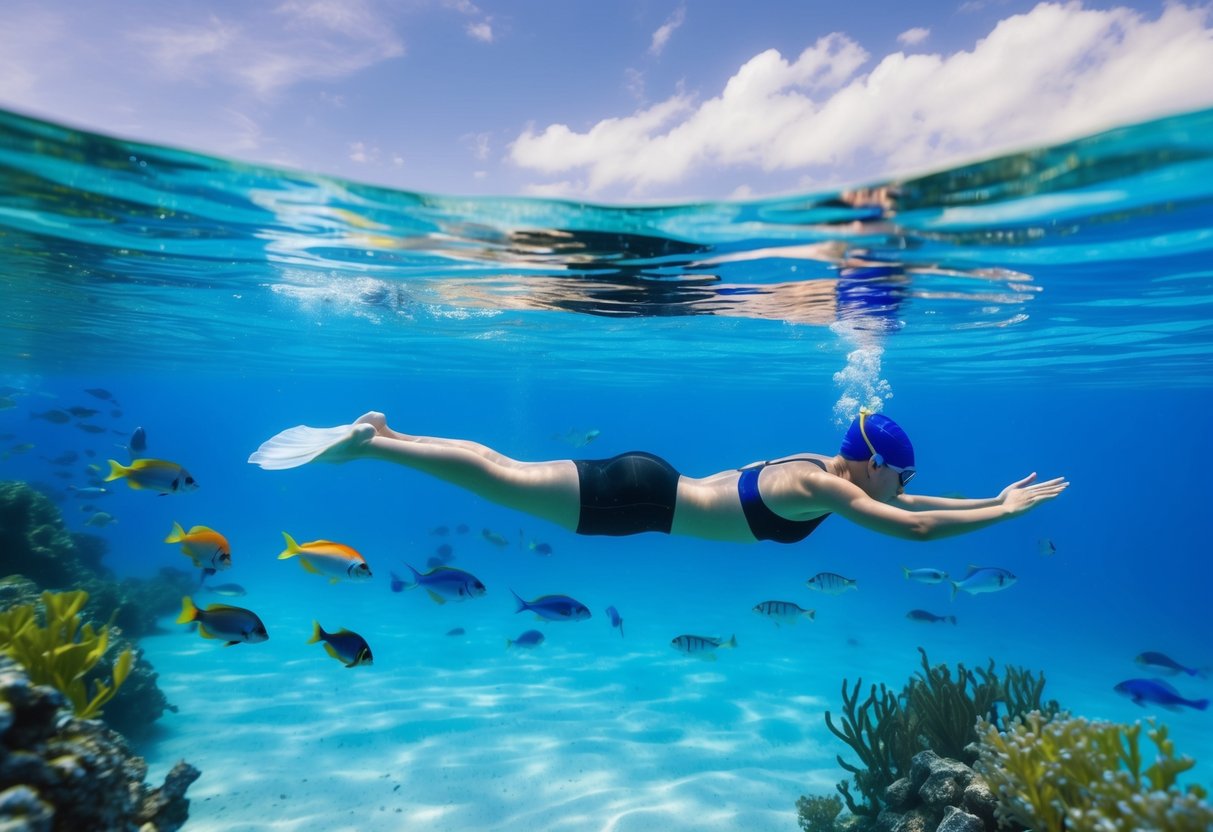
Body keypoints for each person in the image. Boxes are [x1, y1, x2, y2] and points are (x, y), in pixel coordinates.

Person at [248, 410, 1067, 544]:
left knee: (503, 468)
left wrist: (992, 497)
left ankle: (387, 433)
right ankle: (371, 446)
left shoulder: (828, 468)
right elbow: (913, 524)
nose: (905, 483)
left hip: (651, 485)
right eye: (901, 473)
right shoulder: (828, 489)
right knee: (495, 478)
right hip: (636, 500)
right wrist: (1006, 518)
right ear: (870, 465)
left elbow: (915, 502)